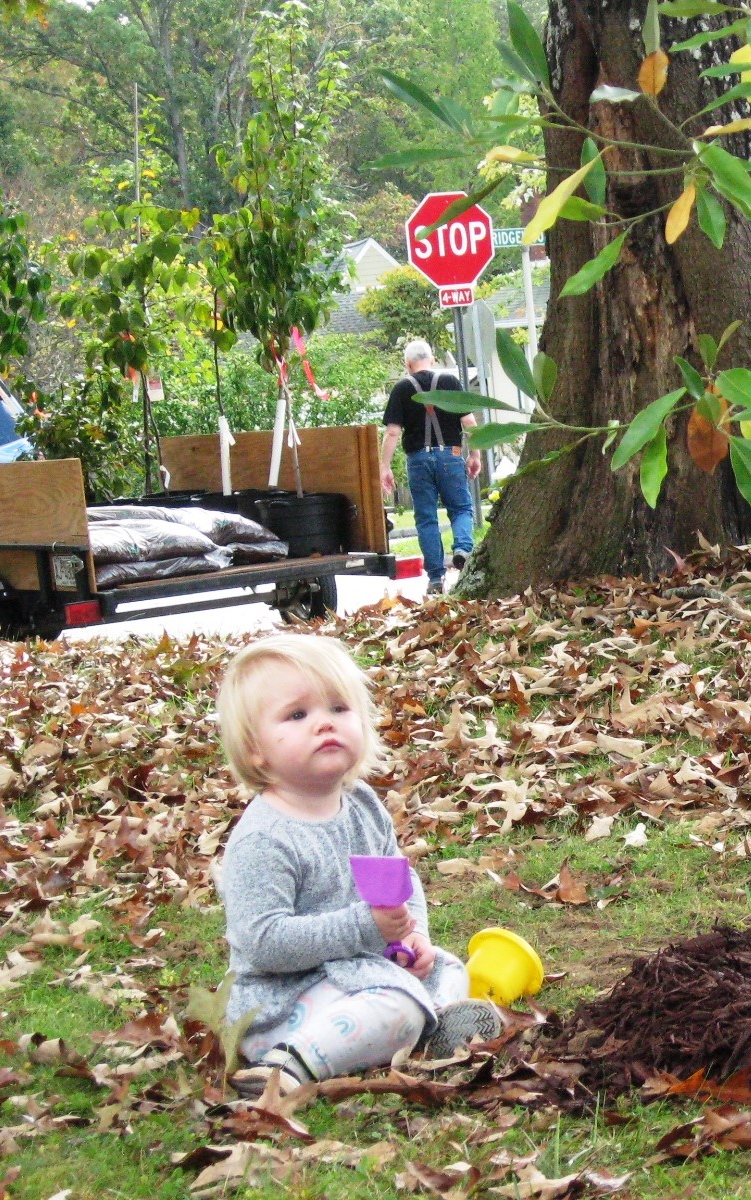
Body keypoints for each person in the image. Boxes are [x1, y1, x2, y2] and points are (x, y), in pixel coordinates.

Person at [215, 634, 501, 1098]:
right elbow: (263, 944)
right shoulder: (264, 838)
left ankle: (435, 1022)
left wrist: (414, 937)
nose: (323, 724)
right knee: (397, 1006)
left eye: (339, 709)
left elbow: (399, 882)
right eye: (297, 715)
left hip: (360, 969)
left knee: (449, 968)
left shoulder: (362, 803)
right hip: (283, 1000)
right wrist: (365, 928)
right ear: (255, 750)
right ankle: (286, 1065)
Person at [380, 340, 482, 595]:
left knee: (426, 518)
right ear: (432, 360)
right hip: (451, 455)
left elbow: (392, 432)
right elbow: (469, 421)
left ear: (408, 364)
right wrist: (475, 454)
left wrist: (385, 466)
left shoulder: (402, 389)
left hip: (418, 459)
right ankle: (462, 549)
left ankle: (435, 579)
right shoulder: (450, 383)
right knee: (460, 508)